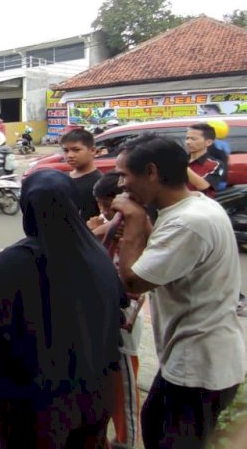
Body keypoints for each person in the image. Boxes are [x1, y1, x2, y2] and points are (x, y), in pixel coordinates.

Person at [0, 169, 122, 448]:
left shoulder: (15, 261)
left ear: (27, 209)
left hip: (33, 403)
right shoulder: (97, 253)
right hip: (93, 396)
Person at [113, 134, 245, 449]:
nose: (120, 185)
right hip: (191, 358)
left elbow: (132, 282)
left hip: (199, 366)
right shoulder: (191, 207)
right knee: (154, 423)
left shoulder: (188, 224)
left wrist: (132, 220)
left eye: (125, 175)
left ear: (152, 172)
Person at [87, 172, 144, 449]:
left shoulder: (133, 230)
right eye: (99, 204)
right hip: (102, 316)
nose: (104, 211)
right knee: (106, 383)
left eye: (108, 205)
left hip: (123, 321)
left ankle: (126, 442)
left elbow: (130, 282)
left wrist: (99, 233)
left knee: (124, 390)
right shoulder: (109, 226)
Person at [60, 128, 102, 221]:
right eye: (66, 150)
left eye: (76, 150)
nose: (70, 155)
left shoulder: (99, 182)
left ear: (92, 150)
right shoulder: (63, 178)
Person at [185, 123, 225, 198]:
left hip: (201, 206)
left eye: (193, 139)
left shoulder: (215, 164)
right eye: (187, 138)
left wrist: (181, 165)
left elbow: (202, 185)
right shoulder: (182, 159)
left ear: (208, 142)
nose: (188, 142)